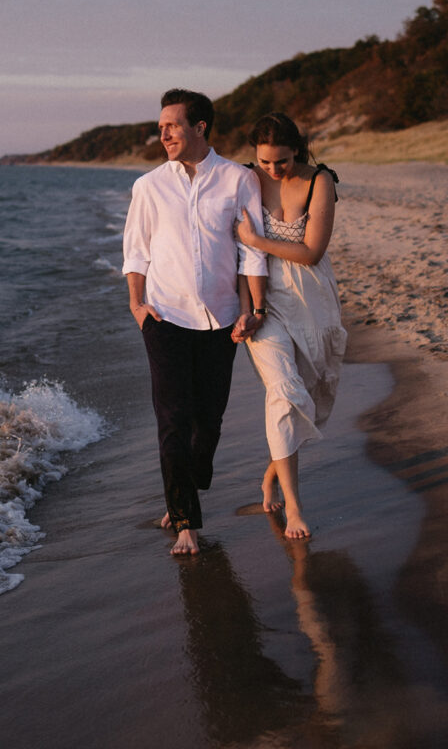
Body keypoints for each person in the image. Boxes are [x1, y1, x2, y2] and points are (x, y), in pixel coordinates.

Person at [122, 89, 268, 556]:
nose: (162, 133)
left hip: (222, 320)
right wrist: (136, 305)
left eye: (172, 125)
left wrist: (251, 308)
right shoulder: (148, 186)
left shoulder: (237, 179)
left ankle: (187, 484)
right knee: (172, 420)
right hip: (164, 318)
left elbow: (251, 250)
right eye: (160, 125)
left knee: (209, 421)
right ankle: (185, 520)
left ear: (200, 127)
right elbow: (136, 250)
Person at [232, 112, 347, 539]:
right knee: (284, 392)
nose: (273, 170)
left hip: (311, 296)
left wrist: (259, 240)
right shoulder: (247, 179)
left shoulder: (320, 181)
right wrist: (246, 307)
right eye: (265, 162)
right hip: (264, 300)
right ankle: (295, 507)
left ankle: (271, 472)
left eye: (281, 161)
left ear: (296, 150)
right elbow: (241, 256)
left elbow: (312, 252)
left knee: (309, 393)